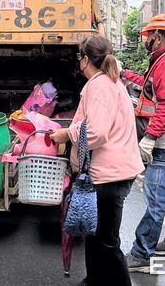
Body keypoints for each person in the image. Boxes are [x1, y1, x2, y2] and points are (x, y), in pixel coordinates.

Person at [51, 35, 144, 286]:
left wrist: (66, 133)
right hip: (113, 170)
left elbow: (96, 132)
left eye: (79, 57)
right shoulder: (110, 82)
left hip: (109, 174)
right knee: (94, 234)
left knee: (106, 240)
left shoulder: (99, 86)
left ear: (84, 59)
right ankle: (93, 280)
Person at [121, 14, 165, 274]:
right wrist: (123, 74)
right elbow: (149, 86)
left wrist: (149, 138)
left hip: (164, 143)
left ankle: (141, 254)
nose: (146, 41)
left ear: (158, 37)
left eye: (148, 37)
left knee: (156, 201)